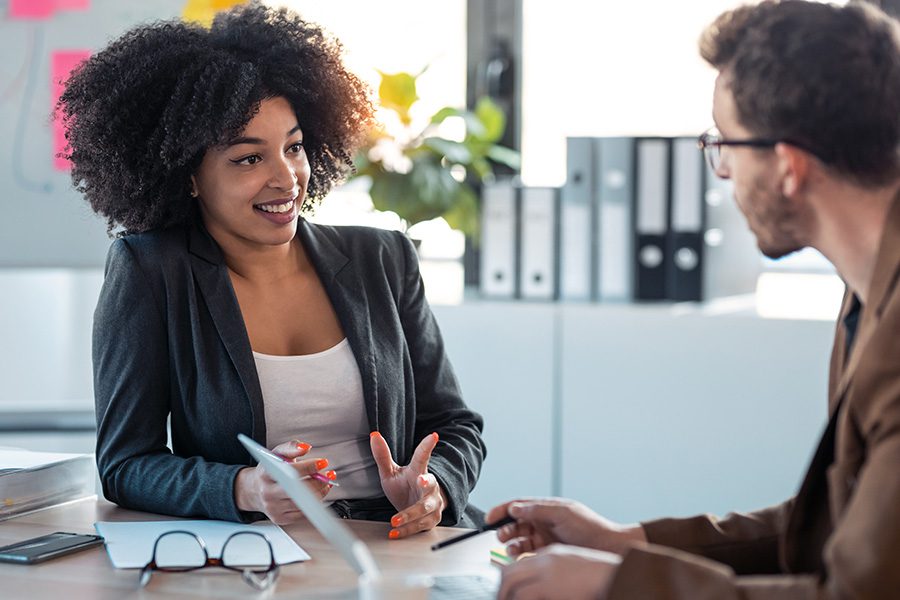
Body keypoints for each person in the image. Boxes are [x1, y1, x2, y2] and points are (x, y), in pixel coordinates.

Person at [488, 1, 900, 597]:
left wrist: (621, 586)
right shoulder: (864, 294)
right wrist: (627, 542)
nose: (722, 172)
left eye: (725, 144)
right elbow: (837, 528)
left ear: (787, 166)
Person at [58, 1, 485, 537]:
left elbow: (454, 425)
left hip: (401, 542)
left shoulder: (383, 259)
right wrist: (246, 488)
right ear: (188, 176)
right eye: (248, 158)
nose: (287, 179)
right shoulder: (152, 271)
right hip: (259, 549)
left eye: (295, 147)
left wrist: (433, 488)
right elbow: (125, 465)